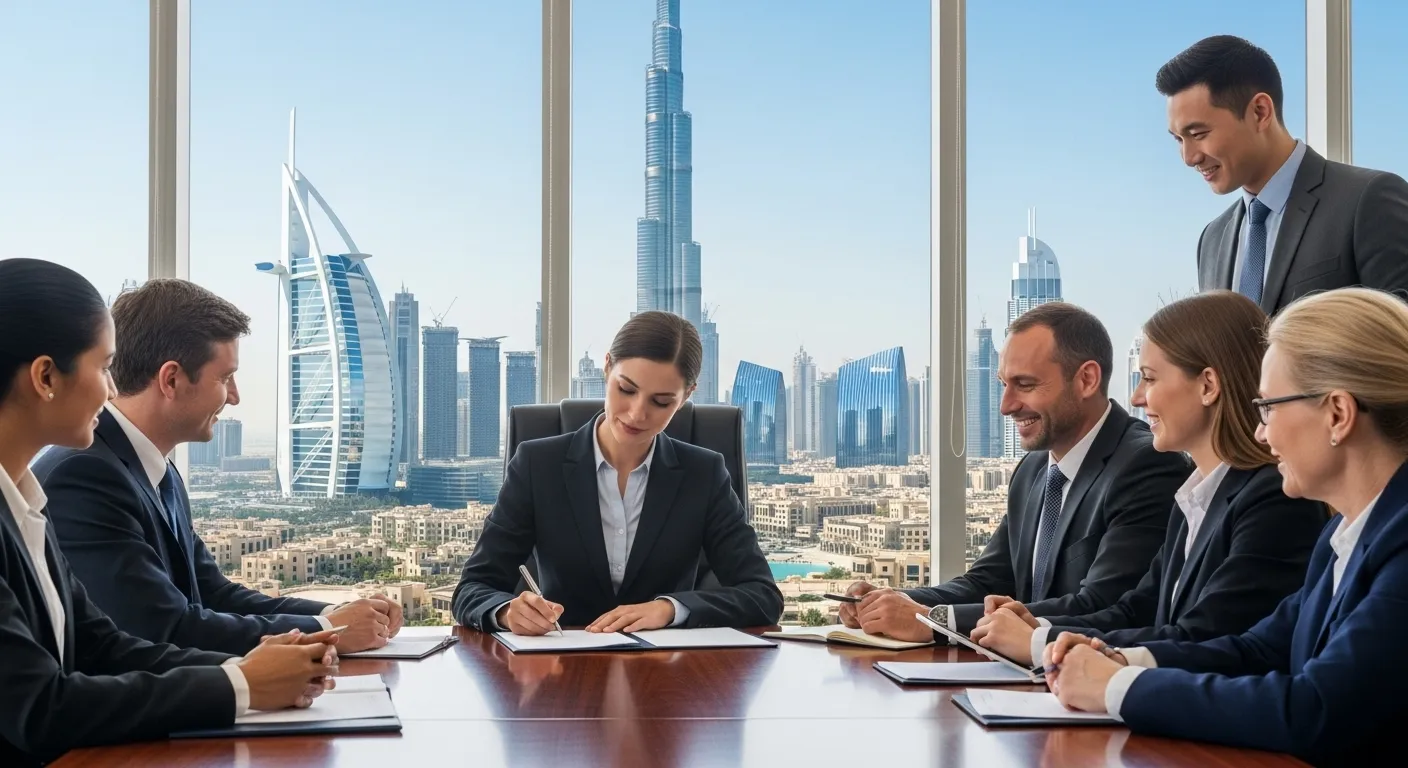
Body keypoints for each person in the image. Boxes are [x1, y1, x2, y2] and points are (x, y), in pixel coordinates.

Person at [1045, 287, 1408, 765]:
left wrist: (1118, 687)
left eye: (1270, 408)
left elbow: (1318, 708)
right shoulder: (1344, 536)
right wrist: (1124, 661)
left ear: (1337, 414)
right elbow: (1256, 650)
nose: (1262, 432)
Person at [0, 258, 337, 766]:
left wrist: (260, 667)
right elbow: (40, 706)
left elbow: (102, 646)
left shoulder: (26, 505)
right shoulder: (75, 477)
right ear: (46, 376)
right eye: (105, 367)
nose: (114, 390)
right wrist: (240, 683)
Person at [34, 278, 400, 656]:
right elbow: (162, 628)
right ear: (171, 379)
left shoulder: (155, 470)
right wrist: (332, 629)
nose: (236, 396)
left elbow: (212, 594)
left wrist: (335, 612)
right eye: (225, 377)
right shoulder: (84, 475)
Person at [968, 291, 1325, 665]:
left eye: (1149, 378)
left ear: (1208, 386)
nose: (1136, 397)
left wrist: (1040, 642)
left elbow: (1203, 637)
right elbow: (1135, 610)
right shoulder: (1196, 498)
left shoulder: (1271, 500)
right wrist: (1038, 626)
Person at [841, 303, 1190, 640]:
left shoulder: (1147, 464)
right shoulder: (1034, 468)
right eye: (1003, 385)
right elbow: (988, 582)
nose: (1006, 406)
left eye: (1025, 385)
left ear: (1086, 379)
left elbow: (1104, 606)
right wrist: (893, 601)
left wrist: (933, 621)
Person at [452, 311, 783, 634]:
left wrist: (670, 609)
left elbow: (762, 595)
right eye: (626, 389)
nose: (638, 413)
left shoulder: (704, 474)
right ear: (607, 367)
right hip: (560, 670)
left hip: (669, 675)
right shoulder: (538, 465)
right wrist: (507, 611)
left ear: (686, 396)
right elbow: (472, 589)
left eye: (662, 401)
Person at [1158, 34, 1408, 313]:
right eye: (1179, 139)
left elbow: (1398, 342)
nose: (1189, 157)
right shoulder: (1212, 240)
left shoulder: (1368, 201)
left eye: (1199, 134)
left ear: (1260, 112)